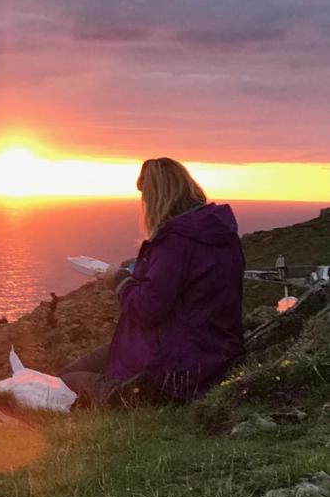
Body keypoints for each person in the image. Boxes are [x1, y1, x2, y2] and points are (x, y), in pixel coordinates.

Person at [60, 157, 245, 404]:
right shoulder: (221, 234)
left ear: (158, 198)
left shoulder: (175, 242)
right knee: (91, 366)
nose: (144, 205)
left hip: (175, 369)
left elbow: (148, 309)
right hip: (213, 356)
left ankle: (121, 398)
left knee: (63, 381)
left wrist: (119, 280)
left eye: (146, 198)